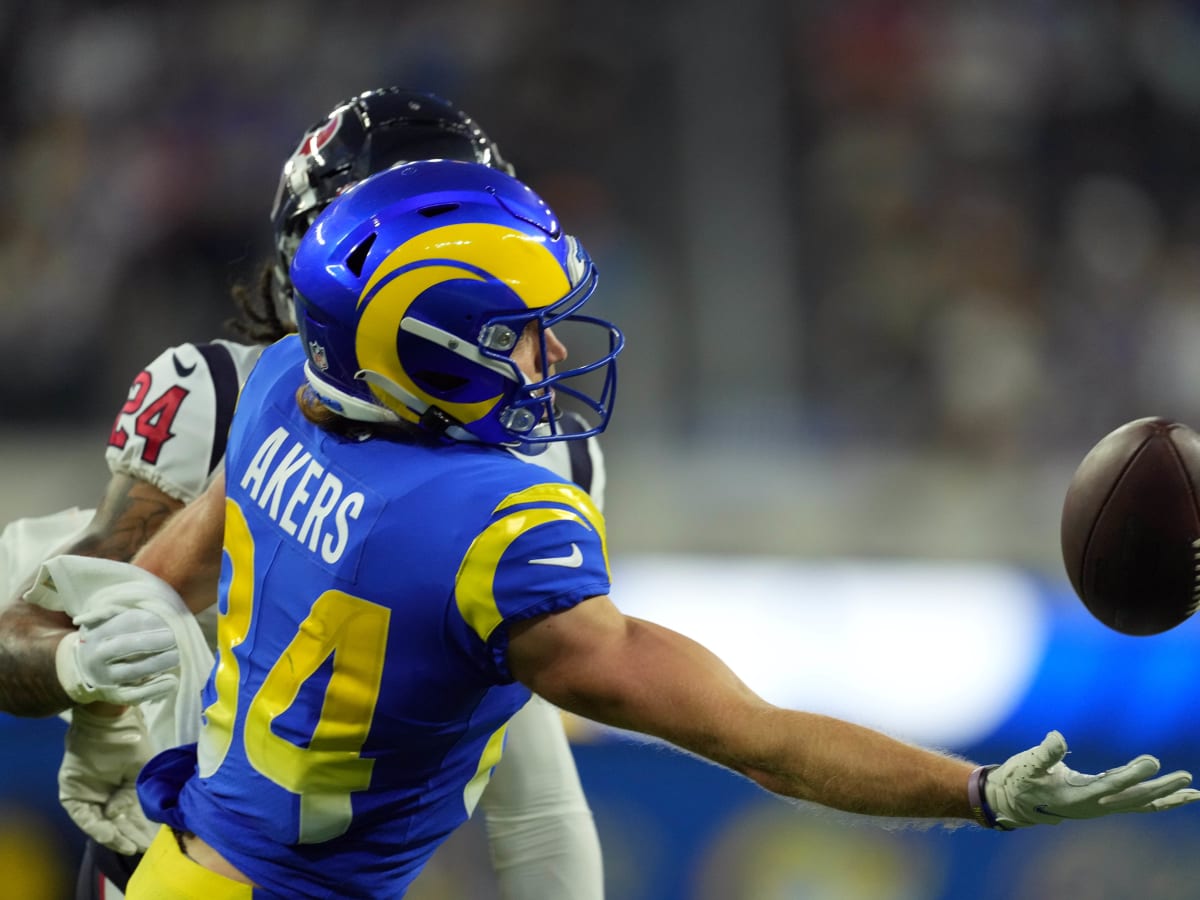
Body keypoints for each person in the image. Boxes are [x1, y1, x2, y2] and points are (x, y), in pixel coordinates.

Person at [102, 158, 1199, 899]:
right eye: (522, 335)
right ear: (425, 348)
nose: (550, 356)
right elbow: (753, 736)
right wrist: (976, 791)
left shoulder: (287, 381)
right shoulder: (488, 526)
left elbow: (159, 581)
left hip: (177, 867)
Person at [0, 89, 604, 900]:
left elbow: (533, 775)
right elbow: (28, 642)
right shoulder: (230, 395)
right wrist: (77, 660)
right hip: (169, 859)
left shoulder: (545, 456)